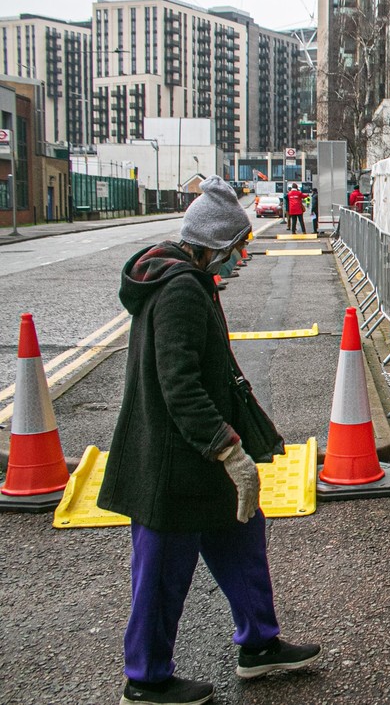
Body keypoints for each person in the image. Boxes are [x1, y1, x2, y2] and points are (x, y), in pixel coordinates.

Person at [99, 176, 321, 705]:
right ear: (214, 245)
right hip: (174, 463)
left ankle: (259, 645)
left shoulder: (188, 279)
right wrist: (227, 448)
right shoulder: (180, 290)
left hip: (198, 457)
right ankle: (146, 678)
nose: (241, 256)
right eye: (237, 247)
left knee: (242, 541)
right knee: (160, 576)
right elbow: (180, 385)